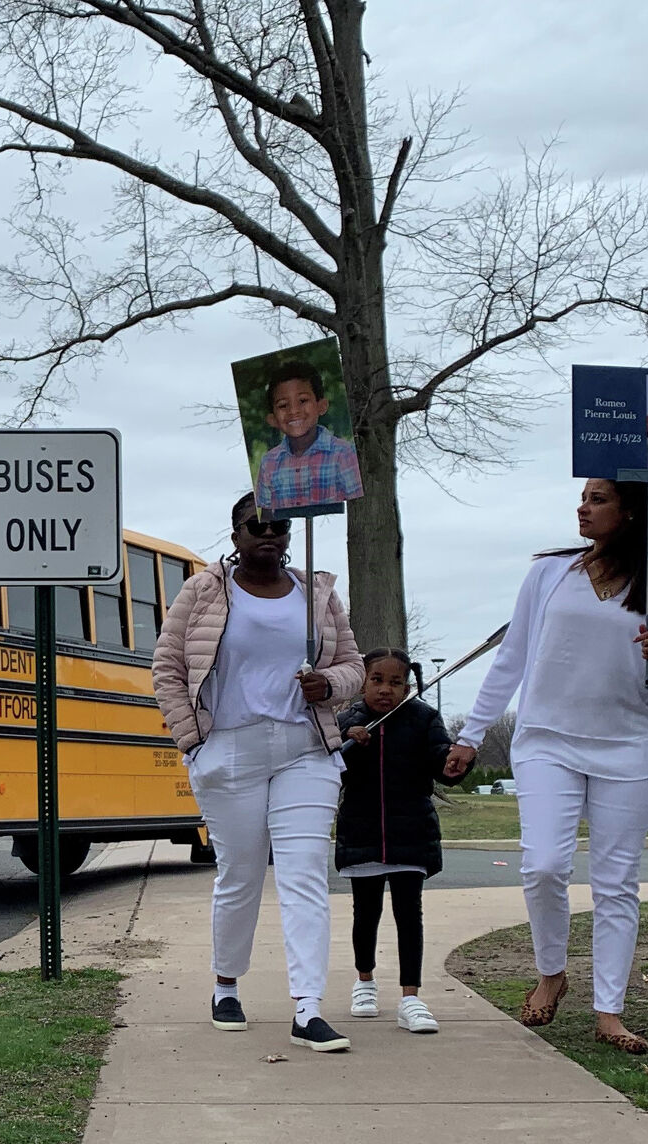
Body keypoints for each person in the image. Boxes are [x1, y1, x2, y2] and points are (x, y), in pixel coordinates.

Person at [444, 479, 648, 1053]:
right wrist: (470, 734)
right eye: (584, 497)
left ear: (630, 511)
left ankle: (610, 1010)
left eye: (599, 498)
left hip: (628, 746)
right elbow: (511, 659)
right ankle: (552, 971)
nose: (583, 507)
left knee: (615, 885)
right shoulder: (550, 575)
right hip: (546, 741)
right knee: (543, 865)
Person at [153, 490, 366, 1052]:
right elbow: (167, 667)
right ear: (235, 536)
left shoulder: (316, 593)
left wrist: (332, 686)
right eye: (255, 527)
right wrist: (192, 741)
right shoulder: (203, 591)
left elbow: (353, 665)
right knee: (241, 875)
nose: (268, 535)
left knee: (303, 877)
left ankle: (308, 1008)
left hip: (305, 749)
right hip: (230, 750)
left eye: (277, 526)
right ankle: (227, 986)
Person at [336, 649, 468, 1034]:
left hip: (410, 834)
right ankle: (364, 982)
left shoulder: (424, 718)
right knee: (366, 913)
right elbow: (330, 771)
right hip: (361, 834)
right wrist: (346, 745)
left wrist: (454, 763)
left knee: (409, 916)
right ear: (363, 681)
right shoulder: (345, 722)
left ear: (408, 687)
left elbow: (441, 764)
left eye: (396, 683)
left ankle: (411, 998)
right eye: (377, 680)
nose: (385, 690)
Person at [255, 361, 363, 512]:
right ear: (272, 419)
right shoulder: (269, 462)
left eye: (303, 401)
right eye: (283, 405)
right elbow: (266, 514)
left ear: (322, 406)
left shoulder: (344, 454)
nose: (294, 411)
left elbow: (359, 506)